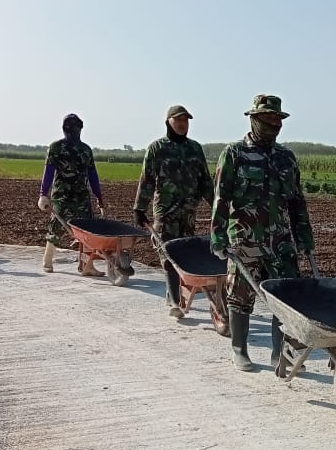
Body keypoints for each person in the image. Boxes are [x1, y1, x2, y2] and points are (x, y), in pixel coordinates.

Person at [209, 94, 315, 371]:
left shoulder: (286, 158)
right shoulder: (234, 154)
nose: (272, 124)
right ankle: (239, 349)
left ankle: (279, 353)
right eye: (266, 119)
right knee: (240, 295)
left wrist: (304, 237)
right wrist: (218, 236)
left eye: (277, 119)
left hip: (280, 241)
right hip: (245, 239)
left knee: (285, 299)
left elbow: (296, 201)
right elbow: (220, 198)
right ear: (253, 119)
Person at [133, 105, 214, 317]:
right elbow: (147, 180)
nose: (182, 124)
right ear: (168, 122)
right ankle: (176, 301)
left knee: (186, 255)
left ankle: (179, 294)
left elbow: (205, 181)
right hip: (165, 211)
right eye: (178, 120)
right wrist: (139, 208)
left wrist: (217, 205)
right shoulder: (157, 148)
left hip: (188, 211)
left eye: (186, 120)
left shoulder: (195, 149)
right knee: (167, 252)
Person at [37, 113, 106, 275]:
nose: (71, 131)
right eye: (68, 128)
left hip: (81, 195)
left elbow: (92, 175)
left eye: (74, 128)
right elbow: (48, 171)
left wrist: (99, 196)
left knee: (88, 230)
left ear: (80, 129)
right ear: (63, 129)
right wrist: (43, 194)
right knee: (57, 225)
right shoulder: (56, 148)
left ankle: (87, 266)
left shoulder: (85, 150)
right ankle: (47, 260)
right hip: (62, 195)